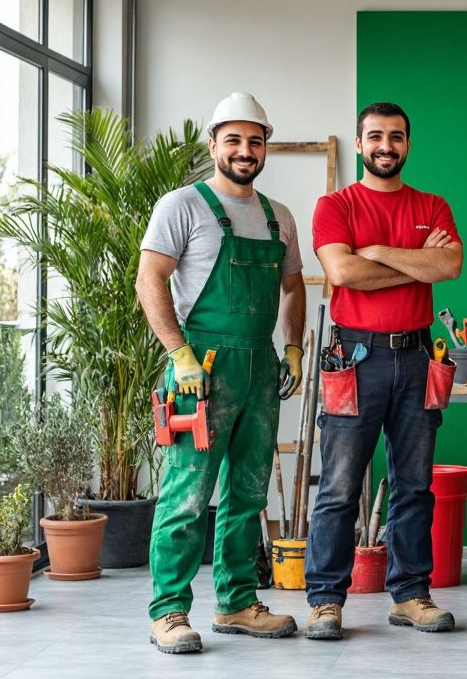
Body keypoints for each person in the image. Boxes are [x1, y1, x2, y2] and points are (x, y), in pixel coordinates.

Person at [138, 92, 307, 654]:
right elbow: (150, 280)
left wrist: (294, 349)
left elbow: (291, 284)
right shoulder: (182, 205)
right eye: (232, 140)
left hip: (260, 367)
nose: (244, 150)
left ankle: (236, 602)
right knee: (187, 494)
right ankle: (168, 611)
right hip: (200, 371)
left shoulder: (276, 215)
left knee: (249, 492)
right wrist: (178, 353)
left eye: (254, 141)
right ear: (213, 145)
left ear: (266, 148)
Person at [305, 102, 463, 639]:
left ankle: (411, 595)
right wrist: (409, 257)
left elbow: (449, 264)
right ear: (359, 143)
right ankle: (326, 600)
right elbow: (343, 271)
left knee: (414, 485)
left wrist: (377, 252)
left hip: (418, 358)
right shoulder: (335, 205)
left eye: (396, 136)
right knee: (339, 486)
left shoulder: (432, 204)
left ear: (408, 145)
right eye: (375, 137)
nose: (386, 146)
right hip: (353, 359)